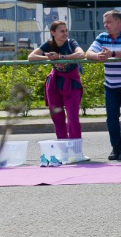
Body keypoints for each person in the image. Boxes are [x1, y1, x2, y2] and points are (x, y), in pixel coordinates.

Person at [85, 10, 121, 161]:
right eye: (104, 22)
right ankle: (115, 147)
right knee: (111, 119)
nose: (105, 25)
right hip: (110, 84)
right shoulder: (101, 37)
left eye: (108, 22)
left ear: (118, 22)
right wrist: (98, 56)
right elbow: (87, 53)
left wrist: (113, 53)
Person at [28, 20, 85, 148]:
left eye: (66, 31)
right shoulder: (48, 44)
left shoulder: (71, 42)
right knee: (57, 118)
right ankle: (63, 150)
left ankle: (76, 150)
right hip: (54, 84)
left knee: (73, 118)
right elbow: (31, 57)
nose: (65, 34)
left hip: (71, 83)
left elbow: (81, 54)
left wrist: (61, 57)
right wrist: (49, 58)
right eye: (61, 31)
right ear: (53, 33)